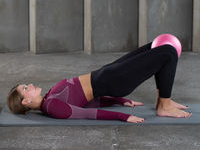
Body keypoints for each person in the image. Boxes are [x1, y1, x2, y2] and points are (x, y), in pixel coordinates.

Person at [7, 42, 192, 123]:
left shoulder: (49, 97)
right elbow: (88, 113)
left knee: (156, 46)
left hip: (108, 72)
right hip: (114, 79)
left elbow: (88, 101)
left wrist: (120, 102)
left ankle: (163, 99)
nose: (30, 85)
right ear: (25, 102)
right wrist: (122, 116)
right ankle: (164, 105)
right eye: (26, 88)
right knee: (167, 52)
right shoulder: (52, 106)